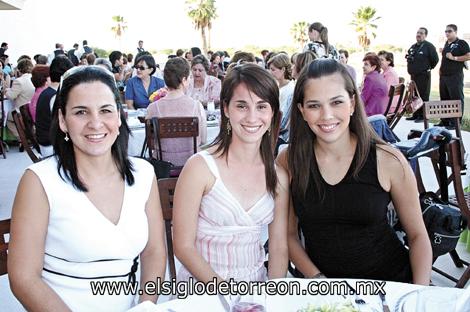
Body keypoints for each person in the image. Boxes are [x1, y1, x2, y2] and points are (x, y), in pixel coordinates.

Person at [8, 65, 167, 311]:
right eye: (81, 112)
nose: (95, 123)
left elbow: (154, 251)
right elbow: (24, 278)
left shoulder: (144, 173)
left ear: (119, 115)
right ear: (62, 120)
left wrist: (145, 305)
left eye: (105, 110)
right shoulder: (40, 181)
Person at [277, 58, 432, 284]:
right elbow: (289, 236)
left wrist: (418, 296)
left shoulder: (387, 160)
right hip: (323, 292)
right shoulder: (289, 161)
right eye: (314, 105)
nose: (326, 115)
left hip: (390, 286)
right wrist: (322, 282)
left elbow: (418, 236)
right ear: (301, 110)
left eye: (336, 102)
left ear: (352, 103)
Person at [173, 64, 289, 283]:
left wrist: (273, 297)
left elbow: (279, 246)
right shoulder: (200, 168)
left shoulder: (278, 176)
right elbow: (183, 246)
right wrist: (229, 296)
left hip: (256, 289)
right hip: (203, 292)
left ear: (273, 113)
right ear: (226, 109)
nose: (252, 117)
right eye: (242, 106)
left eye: (262, 106)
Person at [146, 57, 207, 166]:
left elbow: (150, 144)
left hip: (162, 166)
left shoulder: (152, 108)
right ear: (184, 80)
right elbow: (203, 140)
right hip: (191, 165)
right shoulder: (196, 106)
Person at [35, 56, 74, 156]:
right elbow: (63, 125)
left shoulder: (47, 93)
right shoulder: (54, 96)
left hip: (46, 143)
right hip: (51, 147)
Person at [438, 24, 470, 129]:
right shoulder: (446, 44)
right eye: (446, 31)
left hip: (455, 76)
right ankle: (445, 121)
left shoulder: (461, 43)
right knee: (444, 98)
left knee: (456, 99)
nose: (447, 33)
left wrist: (454, 58)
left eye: (449, 31)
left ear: (455, 32)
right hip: (444, 76)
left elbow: (468, 56)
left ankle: (455, 122)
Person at [405, 27, 439, 121]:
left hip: (424, 76)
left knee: (423, 95)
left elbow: (435, 60)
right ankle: (415, 114)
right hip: (413, 76)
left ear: (425, 35)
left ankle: (423, 117)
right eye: (418, 32)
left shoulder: (429, 46)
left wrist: (427, 68)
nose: (419, 34)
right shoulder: (413, 47)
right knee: (414, 95)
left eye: (421, 33)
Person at [267, 53, 295, 150]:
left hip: (282, 136)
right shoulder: (279, 87)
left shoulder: (290, 89)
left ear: (283, 69)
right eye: (270, 69)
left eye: (273, 69)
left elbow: (282, 118)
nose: (270, 72)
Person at [5, 59, 35, 140]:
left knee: (8, 119)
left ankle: (22, 139)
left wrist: (6, 90)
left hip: (22, 112)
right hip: (33, 110)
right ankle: (29, 137)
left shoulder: (19, 81)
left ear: (19, 69)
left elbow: (11, 96)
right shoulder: (34, 78)